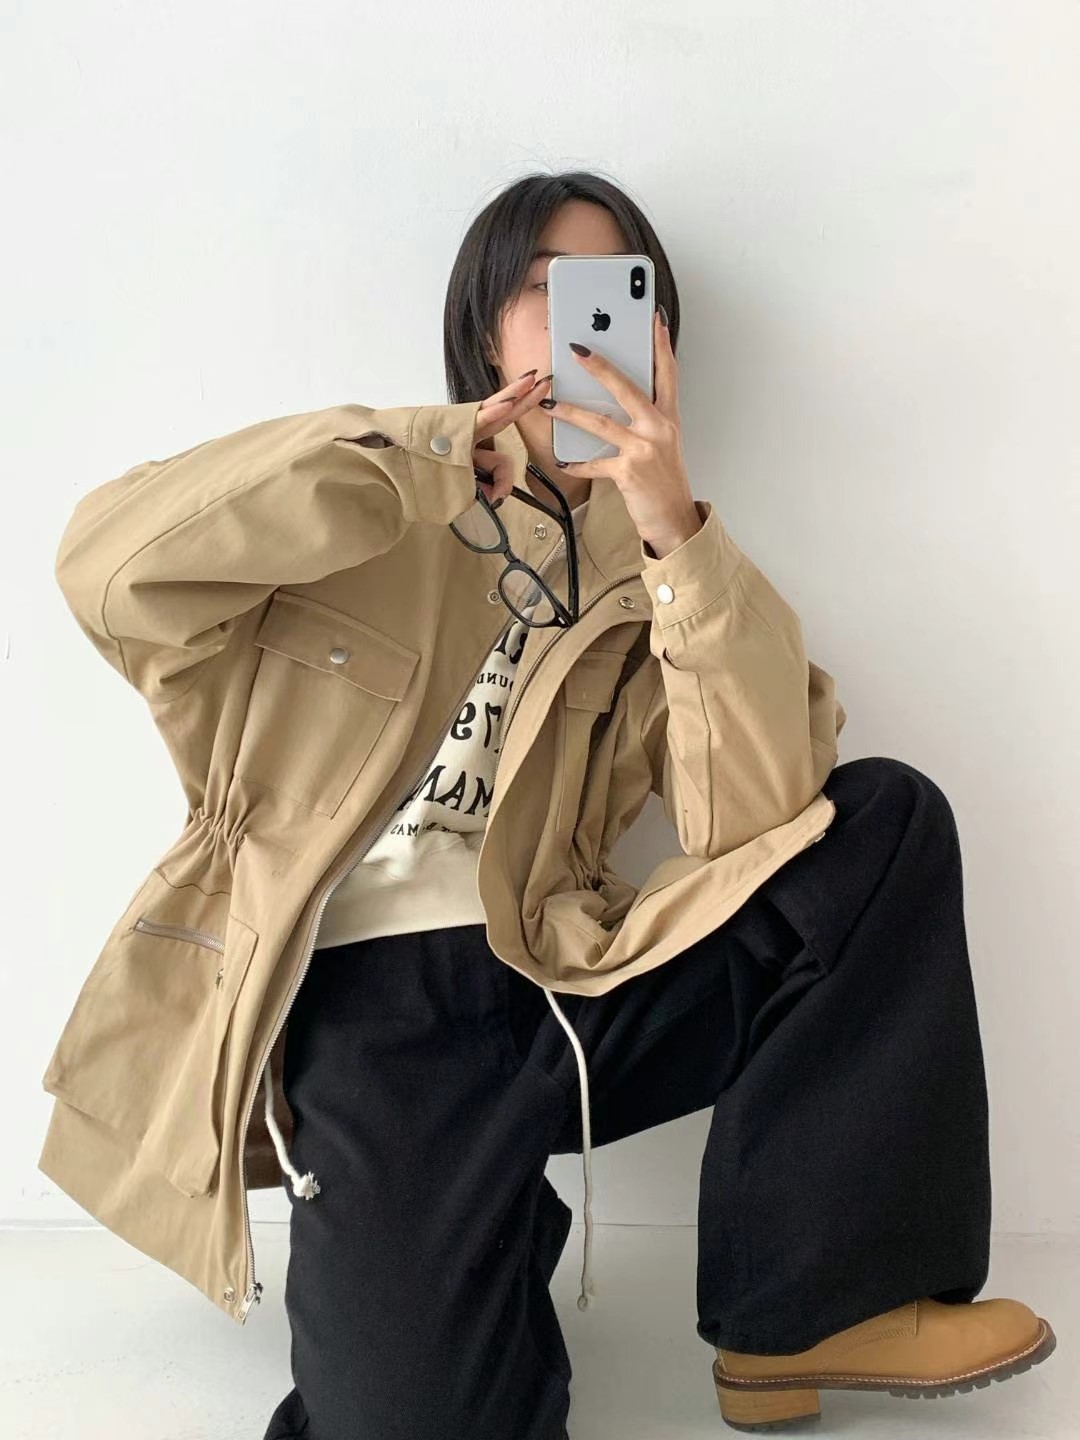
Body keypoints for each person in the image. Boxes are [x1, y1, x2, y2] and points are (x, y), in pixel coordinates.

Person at [258, 171, 1056, 1439]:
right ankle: (464, 1224)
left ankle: (808, 1313)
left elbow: (760, 821)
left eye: (618, 295)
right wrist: (423, 453)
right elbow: (109, 566)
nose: (586, 324)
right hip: (378, 1013)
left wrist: (671, 525)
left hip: (563, 982)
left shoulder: (657, 563)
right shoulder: (363, 513)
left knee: (879, 825)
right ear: (484, 331)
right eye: (546, 289)